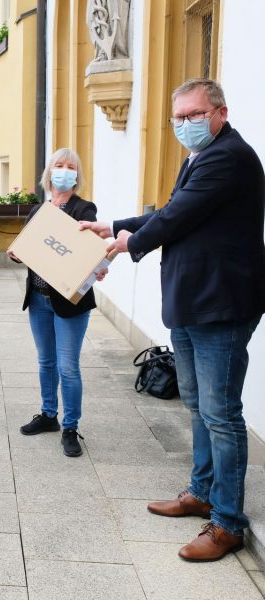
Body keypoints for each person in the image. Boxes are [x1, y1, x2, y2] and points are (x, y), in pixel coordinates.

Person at [82, 78, 265, 562]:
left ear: (220, 112)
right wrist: (116, 226)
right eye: (178, 117)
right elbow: (171, 212)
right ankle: (201, 491)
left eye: (194, 114)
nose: (185, 124)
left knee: (221, 414)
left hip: (221, 304)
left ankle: (227, 523)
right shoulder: (199, 157)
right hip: (192, 300)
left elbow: (178, 216)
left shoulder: (228, 156)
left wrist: (125, 243)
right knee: (198, 405)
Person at [9, 148, 103, 458]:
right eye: (59, 165)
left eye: (70, 167)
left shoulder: (84, 209)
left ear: (77, 175)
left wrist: (96, 264)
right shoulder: (38, 211)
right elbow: (31, 248)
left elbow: (89, 249)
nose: (64, 171)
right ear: (49, 172)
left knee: (68, 367)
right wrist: (17, 251)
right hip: (38, 299)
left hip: (69, 303)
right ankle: (49, 415)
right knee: (45, 361)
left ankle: (71, 427)